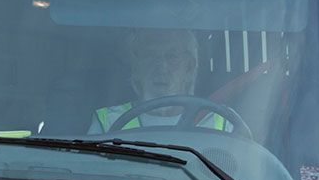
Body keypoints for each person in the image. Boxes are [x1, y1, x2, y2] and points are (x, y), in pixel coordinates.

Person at [89, 29, 234, 134]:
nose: (161, 68)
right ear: (135, 68)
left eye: (172, 57)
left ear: (189, 68)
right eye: (150, 56)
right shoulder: (107, 122)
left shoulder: (223, 121)